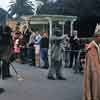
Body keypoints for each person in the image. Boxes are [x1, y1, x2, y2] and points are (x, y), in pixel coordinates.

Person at [83, 24, 100, 100]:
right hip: (94, 72)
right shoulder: (91, 48)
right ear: (96, 37)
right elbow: (91, 66)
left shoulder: (97, 46)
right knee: (95, 82)